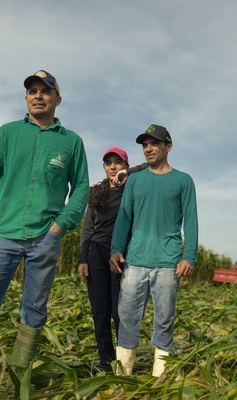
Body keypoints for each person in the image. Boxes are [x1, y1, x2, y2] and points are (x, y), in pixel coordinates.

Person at [0, 70, 89, 382]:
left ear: (57, 99)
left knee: (35, 310)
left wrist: (59, 227)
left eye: (45, 91)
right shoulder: (7, 133)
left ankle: (17, 381)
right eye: (32, 91)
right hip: (4, 236)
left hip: (45, 238)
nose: (38, 96)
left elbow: (80, 188)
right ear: (26, 98)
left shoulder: (71, 142)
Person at [109, 124, 198, 377]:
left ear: (168, 146)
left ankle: (160, 377)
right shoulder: (135, 180)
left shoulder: (183, 181)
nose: (148, 148)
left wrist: (188, 256)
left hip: (168, 262)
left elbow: (190, 220)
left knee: (164, 319)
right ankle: (123, 375)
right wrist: (116, 248)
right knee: (126, 317)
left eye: (154, 144)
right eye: (145, 145)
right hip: (135, 260)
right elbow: (124, 218)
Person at [78, 147, 146, 371]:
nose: (113, 167)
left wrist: (128, 173)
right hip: (96, 254)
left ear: (125, 165)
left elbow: (151, 165)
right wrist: (82, 259)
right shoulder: (97, 192)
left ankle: (123, 360)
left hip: (122, 256)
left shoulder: (133, 188)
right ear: (104, 167)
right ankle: (105, 361)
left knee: (120, 311)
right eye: (109, 163)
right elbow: (88, 228)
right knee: (100, 312)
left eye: (118, 162)